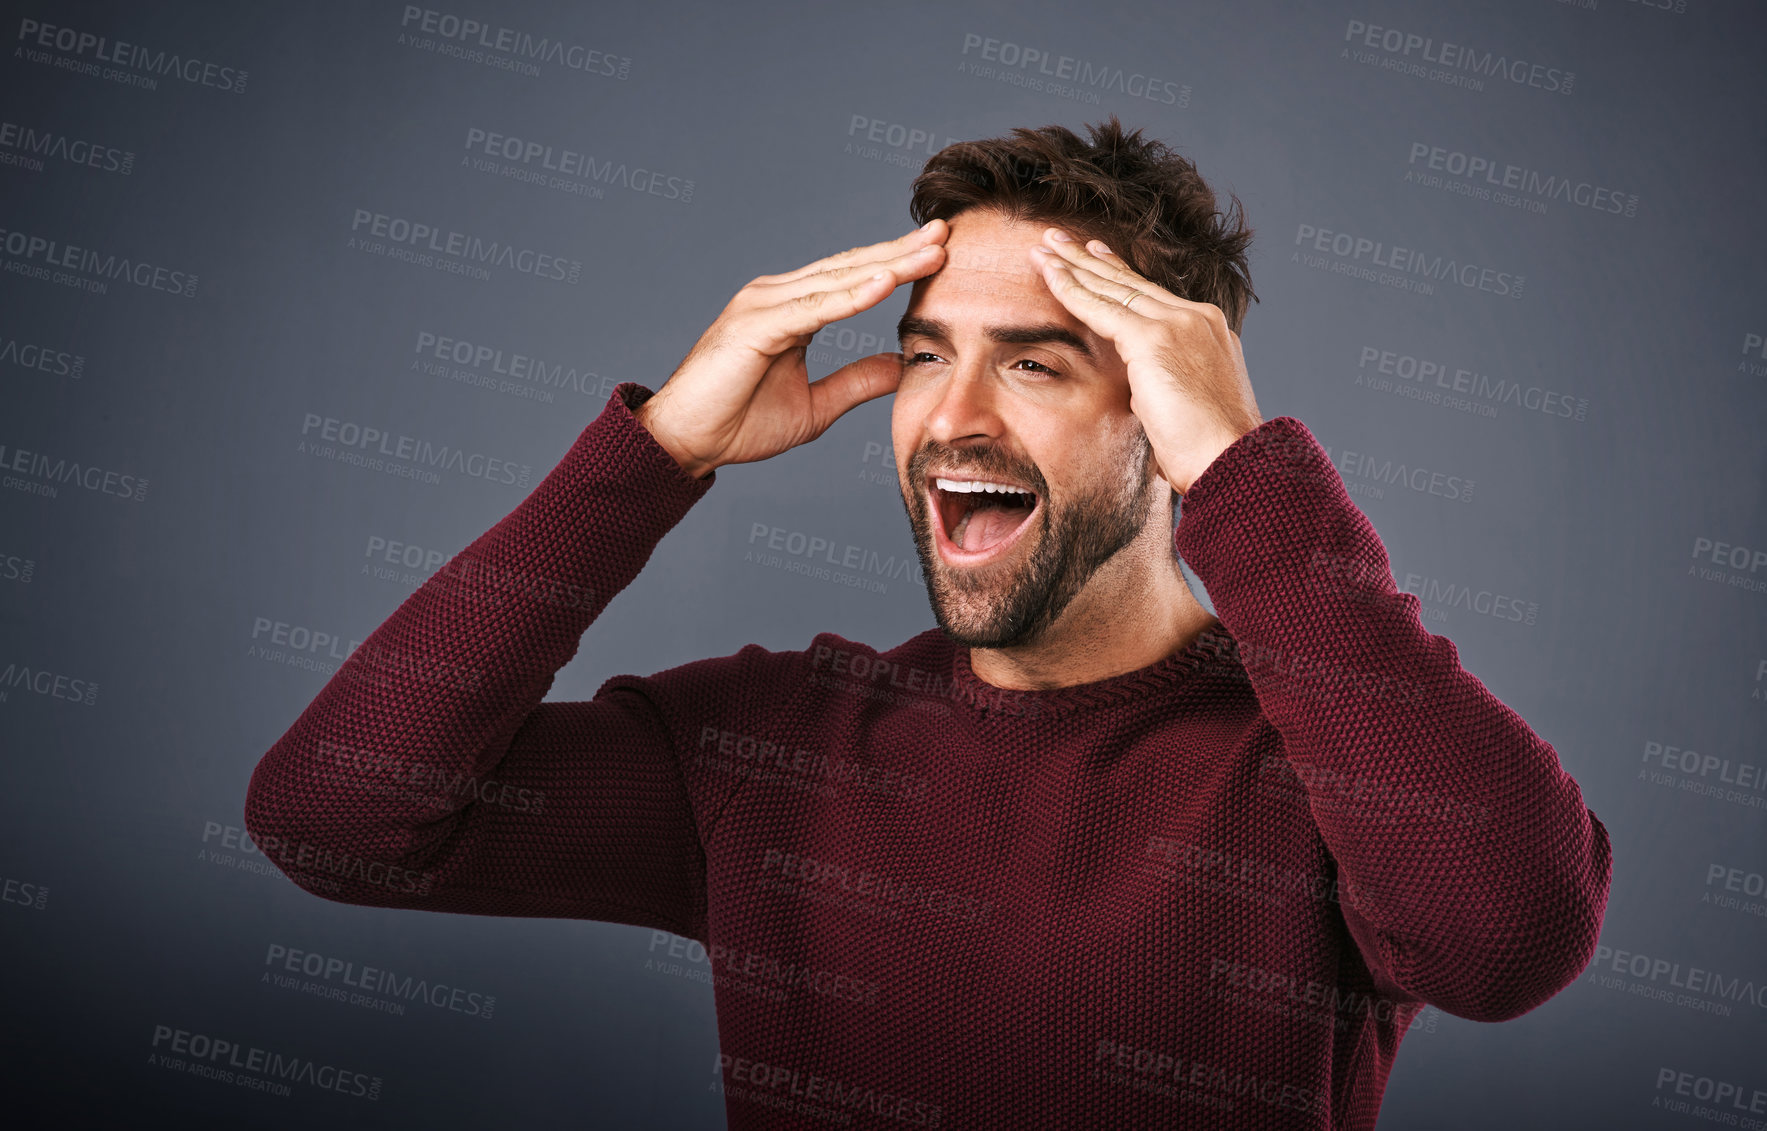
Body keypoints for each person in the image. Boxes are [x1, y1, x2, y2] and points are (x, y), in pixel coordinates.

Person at [245, 117, 1611, 1129]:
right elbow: (335, 818)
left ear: (1164, 413)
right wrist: (656, 454)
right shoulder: (763, 747)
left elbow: (1507, 943)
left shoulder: (1322, 761)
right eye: (926, 353)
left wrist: (1249, 475)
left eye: (1033, 361)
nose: (953, 418)